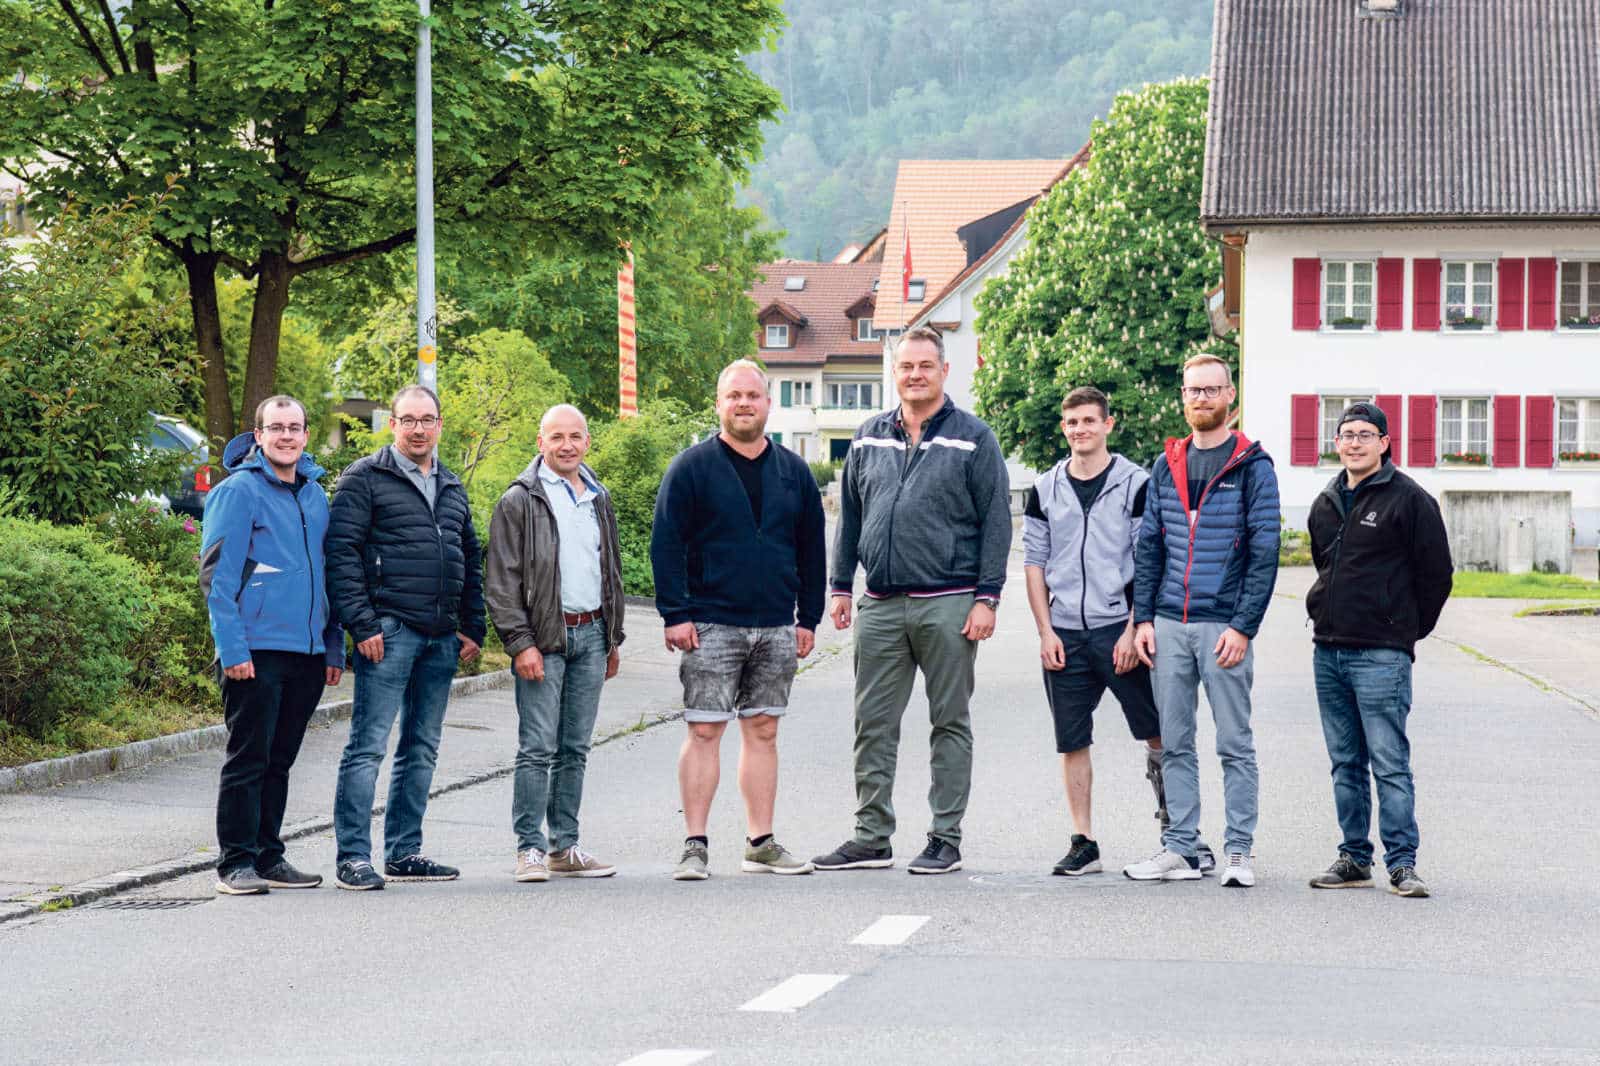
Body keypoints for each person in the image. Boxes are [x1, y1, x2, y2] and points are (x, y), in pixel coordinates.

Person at [812, 326, 1013, 875]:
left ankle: (944, 837)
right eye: (906, 366)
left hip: (949, 602)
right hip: (878, 602)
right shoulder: (868, 435)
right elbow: (849, 516)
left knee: (949, 721)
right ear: (894, 373)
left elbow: (997, 522)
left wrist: (987, 597)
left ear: (944, 371)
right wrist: (839, 586)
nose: (915, 374)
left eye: (926, 365)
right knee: (871, 722)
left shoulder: (974, 437)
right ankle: (871, 836)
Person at [650, 359, 826, 881]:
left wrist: (808, 617)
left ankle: (761, 842)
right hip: (710, 624)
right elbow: (666, 544)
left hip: (775, 624)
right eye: (734, 396)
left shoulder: (794, 472)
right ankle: (695, 845)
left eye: (753, 395)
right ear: (719, 404)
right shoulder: (691, 468)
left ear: (769, 404)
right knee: (704, 730)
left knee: (764, 730)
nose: (744, 404)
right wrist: (675, 614)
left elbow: (812, 549)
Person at [1124, 354, 1279, 887]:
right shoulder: (1165, 464)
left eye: (1213, 390)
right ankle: (1183, 849)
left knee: (1234, 743)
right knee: (1176, 741)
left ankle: (1238, 851)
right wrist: (1143, 618)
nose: (1202, 399)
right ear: (1182, 398)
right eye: (1194, 391)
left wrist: (1244, 626)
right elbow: (1150, 547)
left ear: (1230, 396)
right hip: (1167, 624)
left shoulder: (1253, 465)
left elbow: (1265, 550)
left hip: (1223, 628)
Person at [326, 384, 486, 891]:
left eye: (428, 419)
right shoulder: (365, 478)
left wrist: (472, 624)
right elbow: (341, 554)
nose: (419, 429)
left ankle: (404, 851)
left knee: (421, 748)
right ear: (392, 424)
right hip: (388, 632)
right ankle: (353, 857)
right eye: (409, 419)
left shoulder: (452, 485)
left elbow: (469, 558)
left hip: (441, 637)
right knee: (368, 747)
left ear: (440, 425)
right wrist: (362, 623)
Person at [1305, 401, 1452, 899]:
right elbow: (1325, 565)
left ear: (1385, 442)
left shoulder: (1409, 500)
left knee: (1388, 762)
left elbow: (1437, 576)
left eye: (1365, 434)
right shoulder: (1326, 501)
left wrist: (1404, 631)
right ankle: (1353, 857)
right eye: (1346, 434)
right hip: (1329, 651)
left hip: (1381, 654)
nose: (1353, 442)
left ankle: (1403, 863)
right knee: (1344, 761)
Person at [200, 395, 344, 895]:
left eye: (295, 427)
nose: (286, 435)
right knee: (249, 758)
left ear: (306, 435)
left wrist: (333, 646)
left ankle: (268, 856)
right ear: (257, 435)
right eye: (276, 427)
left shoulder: (315, 495)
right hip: (255, 651)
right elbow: (217, 579)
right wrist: (232, 650)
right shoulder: (238, 492)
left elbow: (326, 576)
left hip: (306, 653)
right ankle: (235, 863)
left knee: (280, 759)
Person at [1022, 386, 1166, 877]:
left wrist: (1132, 629)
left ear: (1108, 424)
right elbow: (1035, 564)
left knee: (1156, 732)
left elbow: (1148, 562)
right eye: (1072, 423)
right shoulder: (1044, 488)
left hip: (1118, 629)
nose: (1080, 430)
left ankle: (1175, 831)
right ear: (1064, 429)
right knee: (1072, 739)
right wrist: (1045, 631)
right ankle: (1084, 840)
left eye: (1089, 420)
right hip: (1066, 632)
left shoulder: (1136, 483)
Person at [485, 404, 626, 882]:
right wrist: (520, 642)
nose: (567, 444)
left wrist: (612, 638)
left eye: (575, 436)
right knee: (537, 747)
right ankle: (530, 848)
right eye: (557, 436)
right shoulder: (521, 499)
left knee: (575, 747)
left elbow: (610, 570)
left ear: (587, 441)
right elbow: (501, 580)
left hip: (592, 634)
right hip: (544, 639)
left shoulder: (598, 496)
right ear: (539, 442)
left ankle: (565, 845)